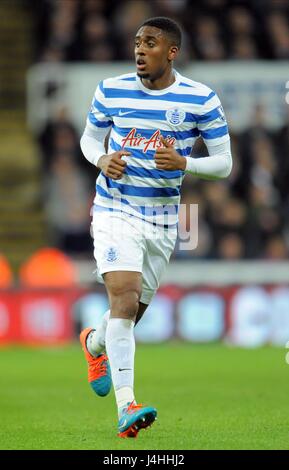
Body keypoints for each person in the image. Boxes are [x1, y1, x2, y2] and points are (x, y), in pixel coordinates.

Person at [79, 16, 232, 438]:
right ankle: (127, 406)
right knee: (124, 300)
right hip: (114, 209)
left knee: (130, 313)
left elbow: (224, 163)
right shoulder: (110, 89)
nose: (140, 50)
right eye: (137, 42)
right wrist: (100, 159)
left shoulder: (201, 100)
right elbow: (89, 139)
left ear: (171, 51)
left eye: (150, 43)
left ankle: (94, 343)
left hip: (165, 219)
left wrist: (187, 164)